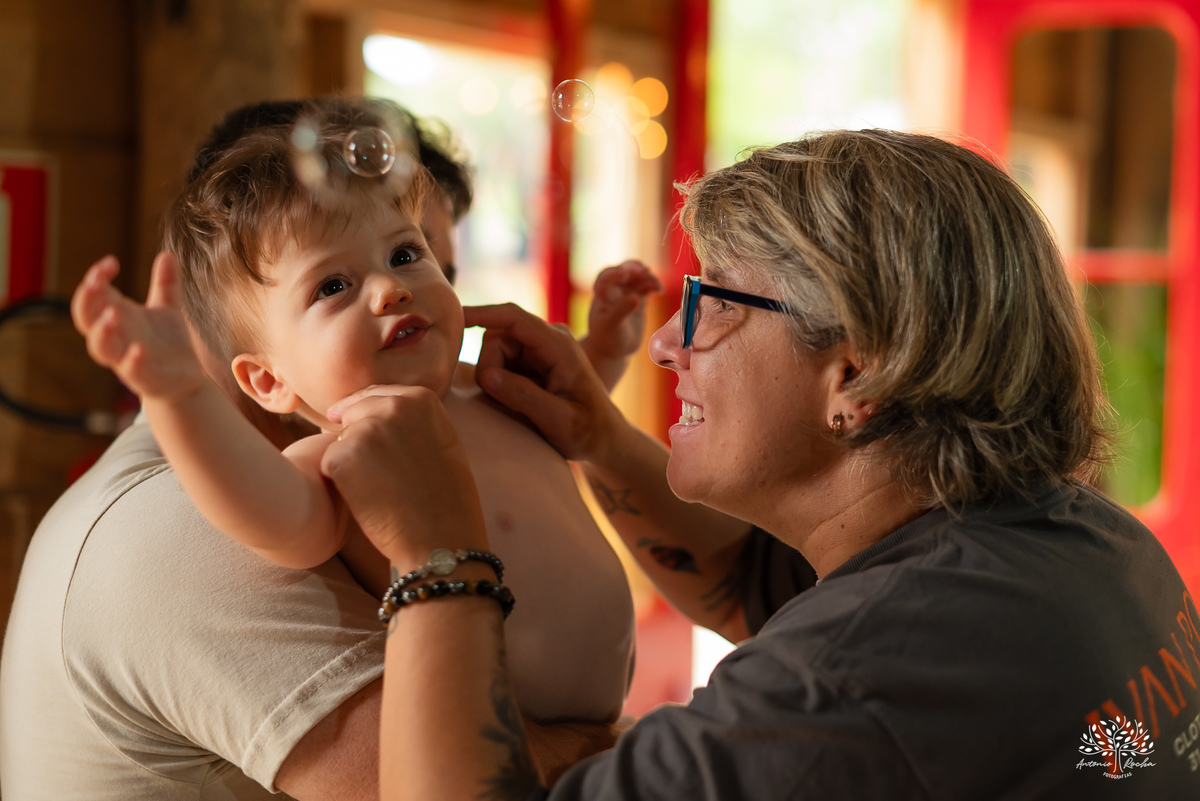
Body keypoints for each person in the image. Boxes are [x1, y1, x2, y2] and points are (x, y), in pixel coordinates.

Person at [322, 129, 1200, 799]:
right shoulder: (1076, 539)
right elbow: (759, 583)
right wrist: (594, 430)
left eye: (710, 300)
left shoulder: (851, 685)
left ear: (856, 371)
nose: (667, 343)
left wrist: (437, 552)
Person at [0, 97, 654, 800]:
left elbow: (557, 427)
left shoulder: (474, 388)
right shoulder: (324, 459)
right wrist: (176, 393)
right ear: (268, 374)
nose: (393, 290)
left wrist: (601, 355)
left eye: (412, 254)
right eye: (333, 284)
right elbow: (269, 507)